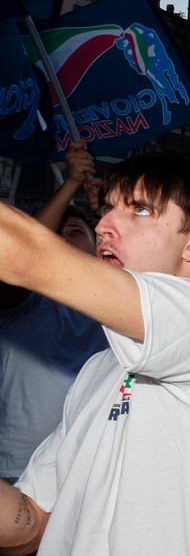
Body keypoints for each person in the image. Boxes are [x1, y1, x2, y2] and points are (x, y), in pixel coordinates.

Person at [0, 151, 190, 555]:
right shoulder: (98, 367)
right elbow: (30, 525)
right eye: (107, 210)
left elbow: (29, 257)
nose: (104, 225)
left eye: (140, 210)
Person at [0, 142, 107, 485]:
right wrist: (71, 184)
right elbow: (26, 253)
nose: (61, 239)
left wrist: (107, 214)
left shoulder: (116, 306)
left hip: (84, 476)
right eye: (56, 233)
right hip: (16, 472)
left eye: (75, 233)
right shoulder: (23, 301)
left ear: (97, 250)